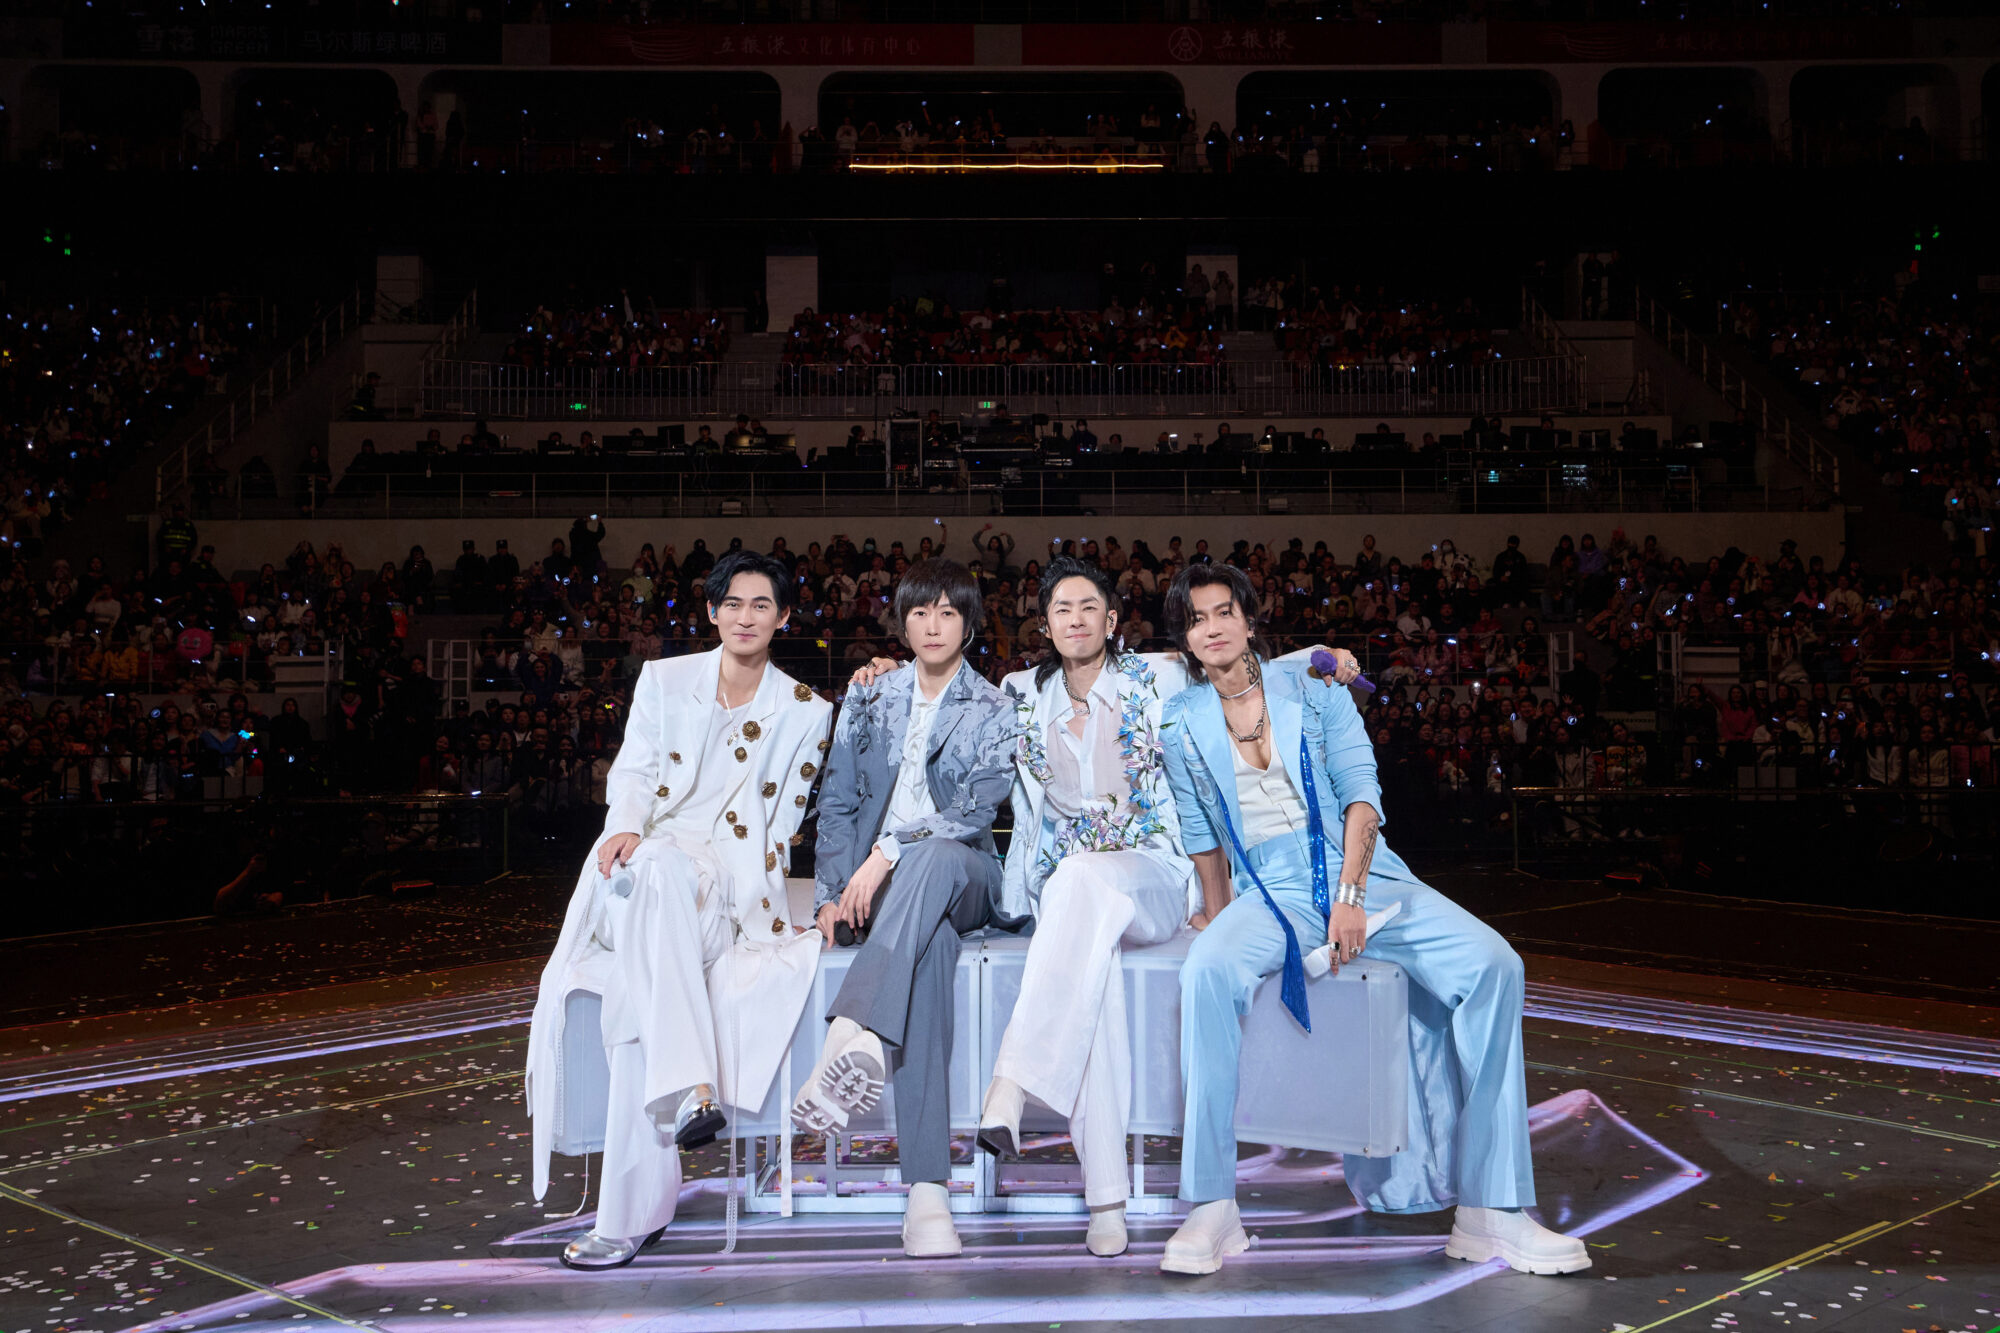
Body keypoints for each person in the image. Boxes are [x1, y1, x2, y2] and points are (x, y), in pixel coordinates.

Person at [1154, 563, 1586, 1278]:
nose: (1213, 627)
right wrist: (1219, 916)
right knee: (1206, 971)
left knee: (1495, 965)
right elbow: (1202, 835)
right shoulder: (1179, 721)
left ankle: (1493, 1209)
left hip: (1363, 870)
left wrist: (1351, 894)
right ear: (1185, 638)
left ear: (1250, 619)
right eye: (1196, 619)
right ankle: (1211, 1205)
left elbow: (1362, 795)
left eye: (1225, 611)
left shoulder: (1315, 686)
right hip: (1271, 888)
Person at [524, 550, 834, 1271]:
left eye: (761, 604)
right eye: (733, 603)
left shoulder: (806, 711)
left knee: (641, 987)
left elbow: (782, 826)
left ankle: (628, 1219)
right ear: (712, 611)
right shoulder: (664, 680)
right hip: (638, 869)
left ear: (784, 617)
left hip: (722, 887)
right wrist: (626, 825)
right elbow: (632, 769)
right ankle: (691, 1089)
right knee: (656, 871)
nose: (745, 616)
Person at [794, 558, 1023, 1260]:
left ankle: (848, 1032)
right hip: (890, 902)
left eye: (949, 612)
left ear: (970, 624)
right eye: (921, 611)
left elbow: (975, 810)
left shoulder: (995, 707)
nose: (933, 625)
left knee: (932, 858)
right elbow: (836, 801)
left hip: (963, 874)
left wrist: (889, 850)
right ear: (902, 620)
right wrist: (831, 892)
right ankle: (928, 1193)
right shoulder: (870, 696)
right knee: (930, 956)